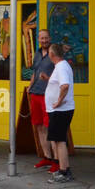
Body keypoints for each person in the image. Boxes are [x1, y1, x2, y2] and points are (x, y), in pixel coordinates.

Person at [44, 41, 76, 183]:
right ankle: (63, 169)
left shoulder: (61, 67)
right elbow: (59, 84)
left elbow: (64, 86)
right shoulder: (61, 66)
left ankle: (64, 172)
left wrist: (58, 101)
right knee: (58, 140)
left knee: (60, 140)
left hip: (60, 110)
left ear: (51, 54)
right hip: (60, 110)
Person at [29, 30, 57, 170]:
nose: (44, 40)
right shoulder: (37, 53)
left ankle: (56, 161)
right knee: (39, 126)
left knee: (50, 127)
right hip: (35, 93)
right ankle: (47, 157)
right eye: (42, 38)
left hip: (49, 95)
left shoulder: (54, 53)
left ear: (50, 38)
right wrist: (30, 87)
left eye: (46, 38)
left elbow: (60, 72)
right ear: (38, 39)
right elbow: (35, 72)